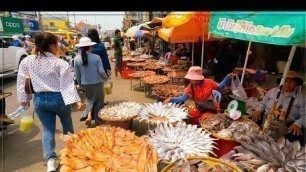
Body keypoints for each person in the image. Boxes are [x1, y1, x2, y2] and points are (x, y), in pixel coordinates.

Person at [17, 32, 84, 172]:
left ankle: (50, 161)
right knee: (67, 126)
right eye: (57, 44)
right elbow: (67, 85)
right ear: (52, 46)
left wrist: (24, 100)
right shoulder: (59, 63)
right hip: (59, 99)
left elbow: (21, 81)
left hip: (40, 100)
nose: (58, 47)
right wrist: (77, 100)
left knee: (47, 130)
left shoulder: (27, 61)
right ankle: (70, 154)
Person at [251, 71, 305, 145]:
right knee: (252, 122)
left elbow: (304, 115)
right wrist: (258, 110)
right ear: (281, 82)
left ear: (295, 84)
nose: (287, 84)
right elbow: (263, 103)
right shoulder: (272, 91)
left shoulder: (301, 98)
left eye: (291, 81)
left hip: (286, 125)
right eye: (285, 81)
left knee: (297, 136)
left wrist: (298, 124)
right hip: (267, 120)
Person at [74, 37, 108, 127]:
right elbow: (101, 71)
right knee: (99, 102)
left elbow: (77, 75)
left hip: (85, 84)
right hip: (97, 83)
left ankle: (87, 116)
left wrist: (80, 84)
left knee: (90, 100)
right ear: (90, 47)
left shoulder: (77, 59)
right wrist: (106, 78)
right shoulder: (96, 57)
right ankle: (98, 120)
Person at [163, 66, 235, 107]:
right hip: (199, 107)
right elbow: (183, 99)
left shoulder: (209, 82)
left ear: (198, 79)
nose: (190, 80)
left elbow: (219, 87)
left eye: (192, 78)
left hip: (211, 106)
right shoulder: (190, 87)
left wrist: (227, 78)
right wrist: (170, 99)